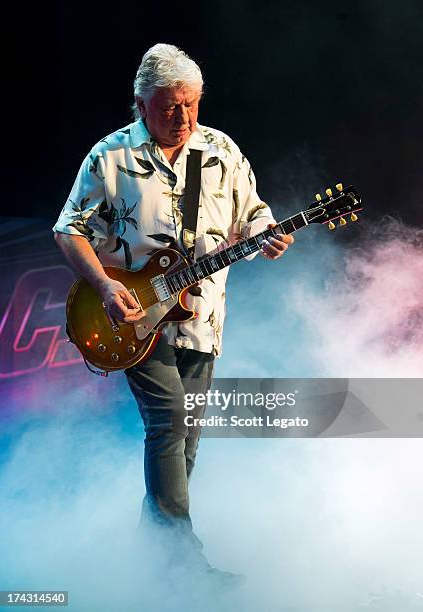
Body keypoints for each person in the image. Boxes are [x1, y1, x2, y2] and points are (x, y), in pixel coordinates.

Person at [53, 43, 294, 585]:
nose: (182, 117)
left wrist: (266, 235)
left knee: (186, 439)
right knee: (168, 425)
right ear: (140, 104)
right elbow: (68, 228)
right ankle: (186, 567)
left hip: (203, 320)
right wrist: (105, 284)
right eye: (168, 106)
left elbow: (252, 216)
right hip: (132, 318)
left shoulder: (222, 151)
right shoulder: (109, 157)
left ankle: (153, 558)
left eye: (191, 104)